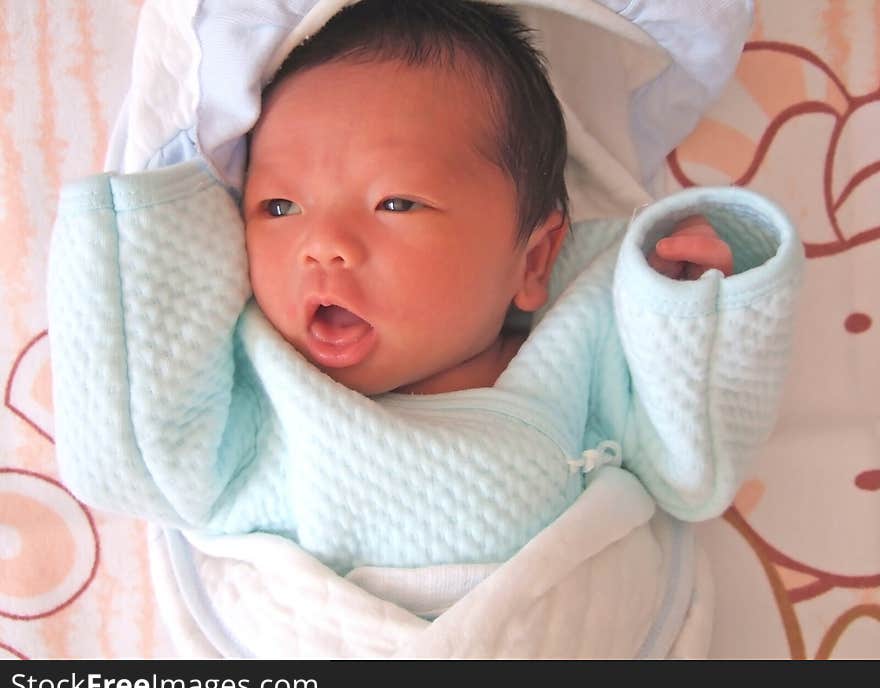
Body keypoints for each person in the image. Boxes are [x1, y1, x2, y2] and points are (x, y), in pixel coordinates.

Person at [47, 0, 801, 576]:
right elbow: (127, 453)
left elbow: (690, 468)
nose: (324, 245)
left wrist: (688, 312)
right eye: (279, 207)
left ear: (533, 261)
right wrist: (140, 235)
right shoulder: (250, 392)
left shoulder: (585, 342)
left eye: (395, 203)